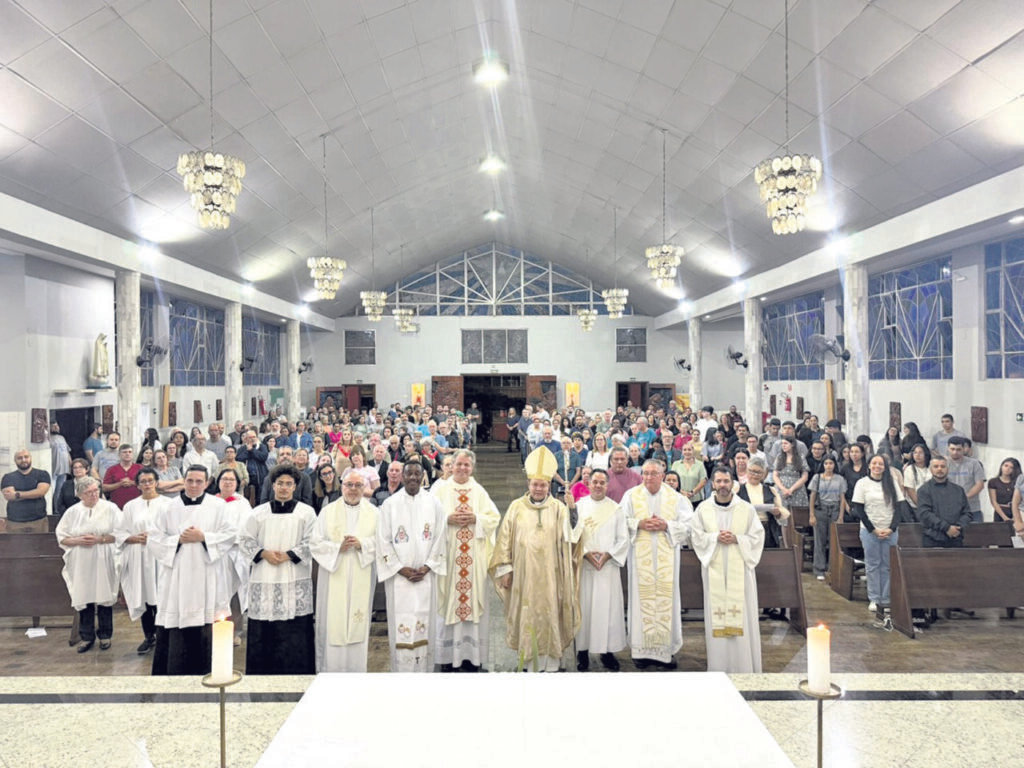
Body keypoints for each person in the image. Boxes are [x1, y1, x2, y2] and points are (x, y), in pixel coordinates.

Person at [490, 446, 581, 672]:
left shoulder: (558, 508)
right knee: (527, 613)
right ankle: (527, 663)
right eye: (535, 484)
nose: (538, 488)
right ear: (529, 484)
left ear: (549, 486)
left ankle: (551, 664)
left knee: (551, 613)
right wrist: (506, 571)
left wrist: (572, 510)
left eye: (543, 485)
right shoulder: (516, 508)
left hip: (552, 574)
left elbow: (572, 536)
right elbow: (504, 541)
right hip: (523, 575)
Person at [148, 466, 236, 675]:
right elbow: (154, 538)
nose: (194, 485)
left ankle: (208, 671)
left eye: (199, 481)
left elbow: (231, 534)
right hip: (177, 575)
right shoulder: (168, 508)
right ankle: (175, 670)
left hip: (208, 573)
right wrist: (178, 539)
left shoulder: (219, 506)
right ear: (184, 481)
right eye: (190, 481)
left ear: (207, 483)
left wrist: (204, 537)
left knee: (208, 619)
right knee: (176, 617)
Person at [240, 464, 316, 674]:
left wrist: (290, 554)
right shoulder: (258, 513)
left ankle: (297, 675)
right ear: (273, 485)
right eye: (280, 483)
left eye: (288, 484)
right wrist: (263, 553)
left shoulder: (306, 513)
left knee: (294, 631)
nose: (284, 487)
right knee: (265, 632)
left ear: (295, 487)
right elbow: (244, 540)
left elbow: (313, 541)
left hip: (293, 576)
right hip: (265, 575)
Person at [690, 466, 764, 673]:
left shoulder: (746, 509)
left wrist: (737, 539)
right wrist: (714, 538)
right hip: (714, 568)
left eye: (726, 481)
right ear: (713, 483)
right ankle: (719, 667)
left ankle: (744, 666)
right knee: (717, 616)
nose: (723, 485)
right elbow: (695, 536)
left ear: (733, 483)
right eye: (719, 481)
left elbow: (757, 537)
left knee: (742, 615)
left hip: (740, 570)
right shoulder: (703, 509)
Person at [432, 449, 500, 672]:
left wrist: (476, 518)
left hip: (473, 559)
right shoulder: (440, 489)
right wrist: (446, 519)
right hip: (450, 557)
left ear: (472, 467)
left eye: (466, 465)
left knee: (472, 605)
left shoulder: (479, 491)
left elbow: (494, 518)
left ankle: (471, 657)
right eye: (458, 464)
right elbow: (428, 519)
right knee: (447, 603)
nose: (462, 468)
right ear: (452, 466)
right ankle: (447, 657)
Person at [620, 459, 692, 670]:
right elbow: (618, 522)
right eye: (645, 473)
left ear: (662, 475)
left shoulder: (676, 498)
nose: (649, 478)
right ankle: (640, 652)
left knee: (665, 600)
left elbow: (689, 525)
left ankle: (665, 653)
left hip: (666, 559)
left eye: (653, 474)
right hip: (639, 561)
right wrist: (638, 524)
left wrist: (667, 524)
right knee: (641, 601)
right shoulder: (631, 496)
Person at [376, 461, 446, 672]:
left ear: (424, 476)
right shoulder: (390, 504)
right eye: (409, 474)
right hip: (399, 577)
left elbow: (440, 537)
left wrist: (428, 566)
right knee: (401, 623)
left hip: (426, 576)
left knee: (426, 622)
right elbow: (383, 540)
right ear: (402, 477)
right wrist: (399, 568)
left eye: (418, 474)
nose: (413, 478)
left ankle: (425, 670)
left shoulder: (434, 503)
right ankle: (402, 671)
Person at [311, 470, 377, 672]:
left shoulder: (374, 513)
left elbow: (382, 543)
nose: (353, 489)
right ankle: (330, 670)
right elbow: (315, 543)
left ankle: (356, 670)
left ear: (364, 487)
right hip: (334, 573)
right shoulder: (328, 511)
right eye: (349, 485)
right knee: (333, 622)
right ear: (342, 486)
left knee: (358, 622)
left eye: (358, 485)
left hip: (361, 570)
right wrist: (336, 548)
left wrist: (362, 544)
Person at [569, 468, 627, 671]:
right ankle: (582, 652)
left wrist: (608, 555)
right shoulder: (579, 506)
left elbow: (623, 539)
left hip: (608, 568)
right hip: (585, 567)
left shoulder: (616, 509)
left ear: (607, 484)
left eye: (602, 482)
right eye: (595, 482)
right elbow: (572, 534)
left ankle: (607, 651)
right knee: (585, 608)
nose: (598, 485)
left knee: (607, 610)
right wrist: (585, 553)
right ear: (589, 483)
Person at [56, 476, 119, 652]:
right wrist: (78, 540)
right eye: (89, 492)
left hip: (103, 555)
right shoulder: (72, 512)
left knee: (104, 595)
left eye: (96, 490)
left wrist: (101, 538)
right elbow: (61, 536)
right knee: (84, 596)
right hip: (81, 559)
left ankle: (105, 635)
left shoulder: (111, 508)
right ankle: (86, 636)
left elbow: (121, 533)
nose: (94, 495)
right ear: (80, 494)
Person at [114, 468, 166, 654]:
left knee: (160, 596)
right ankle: (148, 636)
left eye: (150, 480)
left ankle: (163, 637)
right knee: (143, 596)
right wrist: (135, 538)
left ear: (157, 482)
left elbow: (173, 531)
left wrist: (154, 537)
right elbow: (120, 532)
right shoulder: (130, 506)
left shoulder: (168, 504)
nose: (147, 484)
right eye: (143, 481)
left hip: (159, 557)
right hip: (138, 555)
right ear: (137, 485)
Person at [851, 454, 906, 622]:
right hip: (869, 531)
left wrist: (891, 528)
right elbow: (859, 509)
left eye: (880, 464)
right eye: (874, 463)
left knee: (888, 564)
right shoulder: (862, 483)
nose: (877, 466)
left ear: (885, 466)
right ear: (869, 465)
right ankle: (875, 598)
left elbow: (899, 507)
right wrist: (873, 529)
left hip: (889, 530)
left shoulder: (891, 482)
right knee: (873, 564)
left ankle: (886, 597)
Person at [215, 468, 253, 644]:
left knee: (235, 593)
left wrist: (228, 540)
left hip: (235, 553)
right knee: (216, 591)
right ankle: (215, 628)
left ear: (237, 483)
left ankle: (235, 631)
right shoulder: (211, 502)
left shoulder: (242, 503)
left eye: (231, 480)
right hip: (215, 555)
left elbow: (246, 528)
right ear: (219, 482)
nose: (228, 482)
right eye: (224, 479)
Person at [917, 456, 973, 548]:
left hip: (956, 538)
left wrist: (957, 527)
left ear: (948, 469)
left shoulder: (958, 490)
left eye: (943, 466)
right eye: (936, 466)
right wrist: (947, 528)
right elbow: (925, 514)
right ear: (931, 470)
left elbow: (967, 513)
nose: (939, 469)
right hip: (933, 539)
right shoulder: (923, 490)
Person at [807, 456, 847, 581]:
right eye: (826, 463)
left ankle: (832, 567)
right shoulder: (817, 478)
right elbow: (812, 497)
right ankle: (819, 568)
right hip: (821, 510)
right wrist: (812, 515)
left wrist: (841, 516)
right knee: (820, 540)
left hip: (834, 509)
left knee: (834, 541)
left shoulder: (840, 479)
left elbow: (842, 499)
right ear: (823, 465)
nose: (828, 466)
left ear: (835, 464)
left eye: (831, 463)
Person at [2, 449, 52, 532]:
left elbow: (41, 492)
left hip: (39, 521)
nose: (23, 460)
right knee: (15, 545)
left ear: (31, 458)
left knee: (41, 545)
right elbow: (9, 496)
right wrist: (33, 493)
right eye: (20, 458)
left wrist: (17, 494)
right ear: (15, 460)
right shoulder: (8, 477)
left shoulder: (42, 474)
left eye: (26, 457)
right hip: (14, 522)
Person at [945, 437, 986, 522]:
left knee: (978, 533)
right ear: (948, 448)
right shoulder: (943, 464)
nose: (955, 452)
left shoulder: (974, 463)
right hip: (949, 509)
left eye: (958, 449)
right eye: (952, 449)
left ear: (964, 449)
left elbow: (980, 485)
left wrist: (964, 498)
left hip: (972, 508)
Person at [773, 436, 809, 511]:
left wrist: (791, 490)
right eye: (782, 444)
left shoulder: (800, 457)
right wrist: (783, 489)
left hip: (797, 489)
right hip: (781, 489)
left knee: (797, 515)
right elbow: (775, 475)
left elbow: (805, 476)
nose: (783, 445)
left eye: (786, 443)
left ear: (792, 444)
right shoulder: (779, 457)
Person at [102, 444, 142, 509]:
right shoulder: (111, 469)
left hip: (137, 506)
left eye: (130, 452)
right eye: (124, 452)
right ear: (119, 455)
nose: (127, 454)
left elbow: (146, 484)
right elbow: (104, 487)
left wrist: (132, 483)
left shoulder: (140, 468)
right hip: (117, 506)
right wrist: (120, 484)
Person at [901, 443, 932, 521]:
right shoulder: (909, 469)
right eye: (915, 453)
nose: (917, 455)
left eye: (920, 452)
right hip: (916, 506)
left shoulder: (931, 468)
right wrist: (922, 507)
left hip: (931, 506)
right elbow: (910, 491)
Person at [988, 458, 1021, 523]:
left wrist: (1015, 516)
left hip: (1016, 511)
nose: (1007, 469)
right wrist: (1005, 518)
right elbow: (993, 501)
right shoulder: (993, 482)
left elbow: (1020, 500)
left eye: (1011, 467)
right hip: (1000, 512)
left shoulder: (1017, 482)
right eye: (1006, 466)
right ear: (1001, 466)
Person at [49, 421, 72, 511]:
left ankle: (58, 509)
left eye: (57, 425)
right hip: (53, 470)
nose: (56, 427)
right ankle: (52, 510)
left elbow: (67, 451)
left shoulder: (62, 438)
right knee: (52, 491)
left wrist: (70, 461)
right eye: (53, 426)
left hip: (64, 469)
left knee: (60, 491)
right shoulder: (48, 439)